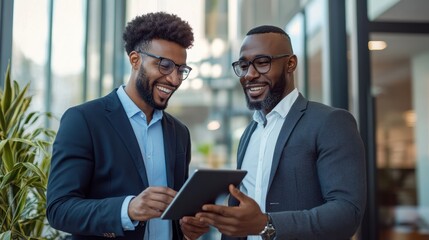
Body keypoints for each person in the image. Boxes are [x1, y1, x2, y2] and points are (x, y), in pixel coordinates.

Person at [46, 12, 209, 240]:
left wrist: (187, 227)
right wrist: (128, 209)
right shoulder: (83, 120)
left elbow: (175, 213)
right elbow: (59, 209)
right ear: (135, 60)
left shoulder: (179, 133)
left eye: (181, 70)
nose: (174, 79)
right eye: (164, 66)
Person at [196, 25, 367, 240]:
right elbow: (241, 212)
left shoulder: (330, 122)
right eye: (243, 65)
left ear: (291, 64)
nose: (250, 74)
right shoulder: (249, 133)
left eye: (262, 63)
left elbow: (347, 213)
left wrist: (267, 224)